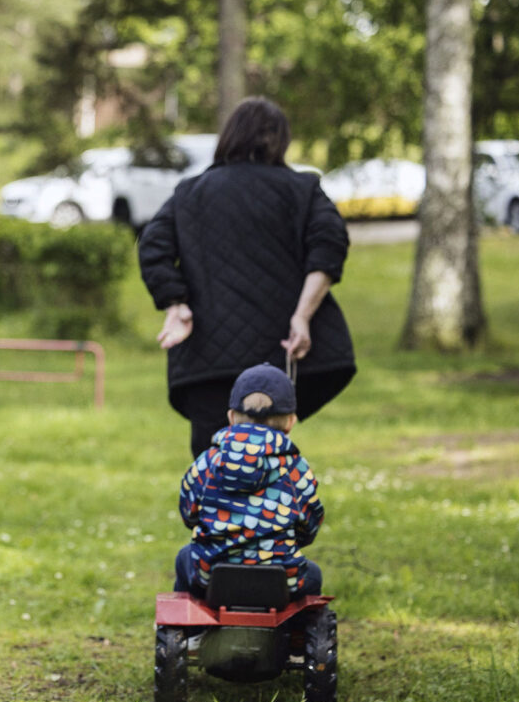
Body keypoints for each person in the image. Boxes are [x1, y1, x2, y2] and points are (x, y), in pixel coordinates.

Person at [138, 97, 356, 457]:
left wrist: (176, 303)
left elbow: (152, 246)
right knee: (272, 470)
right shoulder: (302, 190)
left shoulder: (190, 192)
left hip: (209, 360)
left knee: (213, 477)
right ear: (280, 140)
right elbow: (329, 246)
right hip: (278, 360)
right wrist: (302, 316)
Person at [174, 363, 324, 598]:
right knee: (313, 575)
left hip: (212, 574)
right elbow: (310, 523)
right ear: (290, 422)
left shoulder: (209, 461)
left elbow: (188, 512)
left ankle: (186, 628)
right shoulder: (296, 468)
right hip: (280, 577)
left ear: (231, 417)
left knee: (185, 556)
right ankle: (301, 631)